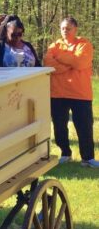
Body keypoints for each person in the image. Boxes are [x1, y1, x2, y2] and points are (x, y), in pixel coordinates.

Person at [44, 17, 98, 168]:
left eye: (68, 28)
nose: (65, 31)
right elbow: (48, 62)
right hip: (58, 93)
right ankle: (65, 153)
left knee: (84, 126)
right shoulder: (55, 45)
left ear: (75, 29)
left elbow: (81, 62)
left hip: (80, 93)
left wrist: (60, 58)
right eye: (63, 28)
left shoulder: (84, 44)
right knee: (59, 126)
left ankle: (88, 158)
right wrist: (70, 63)